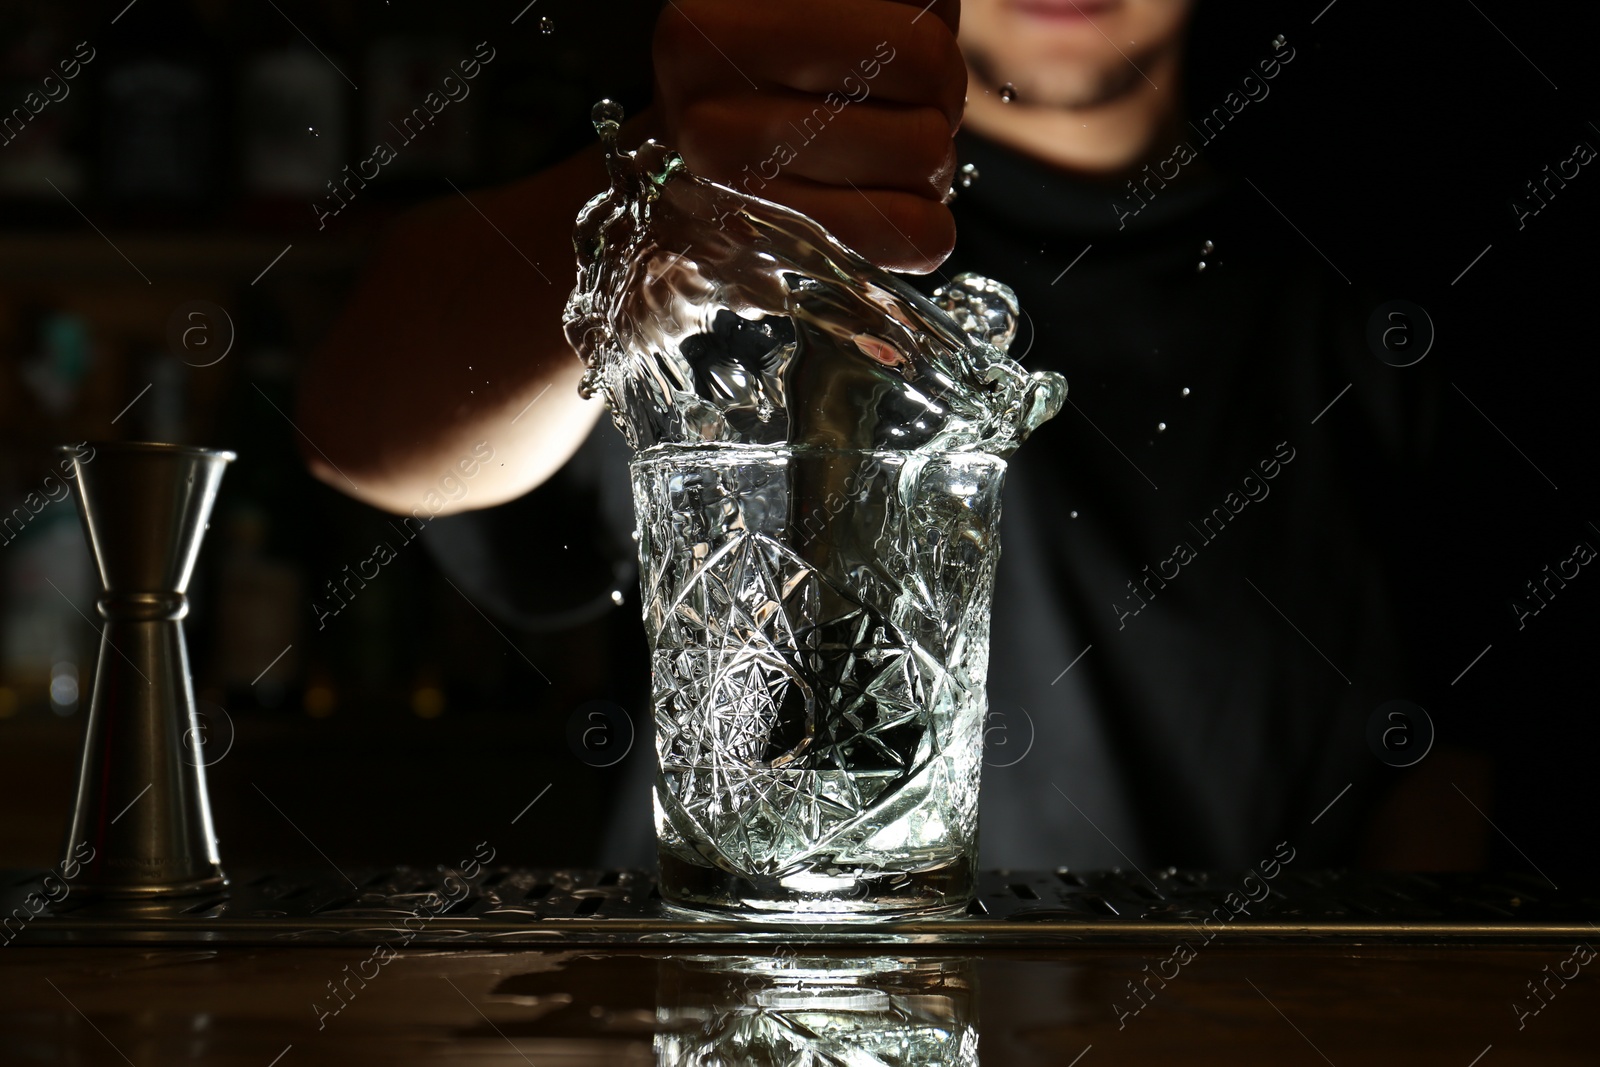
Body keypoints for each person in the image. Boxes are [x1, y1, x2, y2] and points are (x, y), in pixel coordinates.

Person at [299, 0, 1489, 871]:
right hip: (736, 1009)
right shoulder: (740, 239)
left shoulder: (1374, 300)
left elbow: (1444, 779)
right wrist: (682, 178)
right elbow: (364, 428)